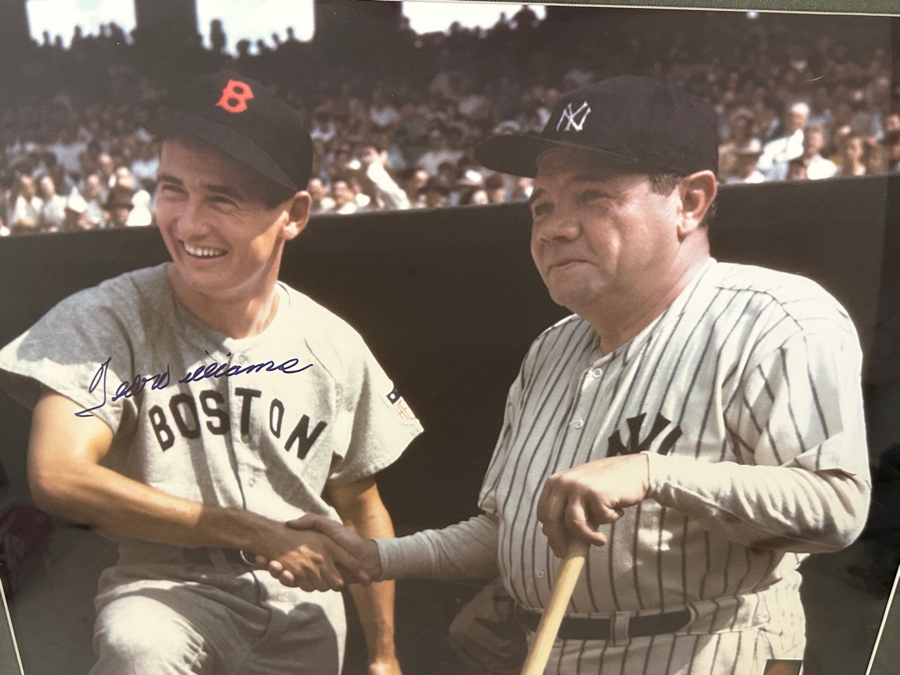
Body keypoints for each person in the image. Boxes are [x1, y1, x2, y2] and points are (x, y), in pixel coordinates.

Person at [270, 76, 871, 675]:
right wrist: (378, 557)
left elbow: (837, 504)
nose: (554, 226)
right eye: (543, 205)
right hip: (555, 653)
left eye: (593, 197)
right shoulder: (551, 350)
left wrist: (653, 473)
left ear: (689, 202)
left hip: (708, 649)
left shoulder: (776, 317)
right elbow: (504, 531)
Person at [0, 73, 422, 675]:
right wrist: (251, 530)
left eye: (222, 199)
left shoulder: (333, 343)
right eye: (173, 190)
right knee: (137, 647)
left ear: (294, 214)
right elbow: (58, 475)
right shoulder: (106, 319)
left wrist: (384, 654)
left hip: (302, 608)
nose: (190, 223)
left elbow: (360, 509)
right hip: (164, 588)